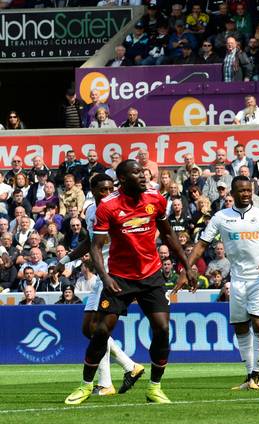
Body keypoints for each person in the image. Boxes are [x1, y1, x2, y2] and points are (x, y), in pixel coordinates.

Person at [64, 160, 196, 405]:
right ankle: (85, 385)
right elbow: (95, 246)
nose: (143, 176)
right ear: (123, 179)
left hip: (152, 275)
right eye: (136, 173)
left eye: (143, 171)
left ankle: (154, 387)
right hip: (119, 278)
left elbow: (167, 233)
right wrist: (105, 278)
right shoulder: (107, 206)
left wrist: (187, 265)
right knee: (101, 330)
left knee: (163, 329)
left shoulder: (155, 199)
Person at [178, 176, 259, 390]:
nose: (246, 194)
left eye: (248, 190)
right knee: (240, 326)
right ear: (232, 194)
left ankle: (257, 374)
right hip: (237, 278)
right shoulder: (221, 217)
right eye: (241, 191)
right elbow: (200, 245)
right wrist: (186, 269)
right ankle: (249, 375)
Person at [62, 173, 143, 396]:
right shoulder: (90, 212)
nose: (107, 193)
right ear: (93, 191)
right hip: (101, 275)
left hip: (114, 274)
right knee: (89, 329)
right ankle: (129, 367)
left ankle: (107, 382)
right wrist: (65, 260)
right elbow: (89, 242)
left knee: (97, 330)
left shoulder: (120, 208)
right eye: (102, 190)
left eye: (110, 189)